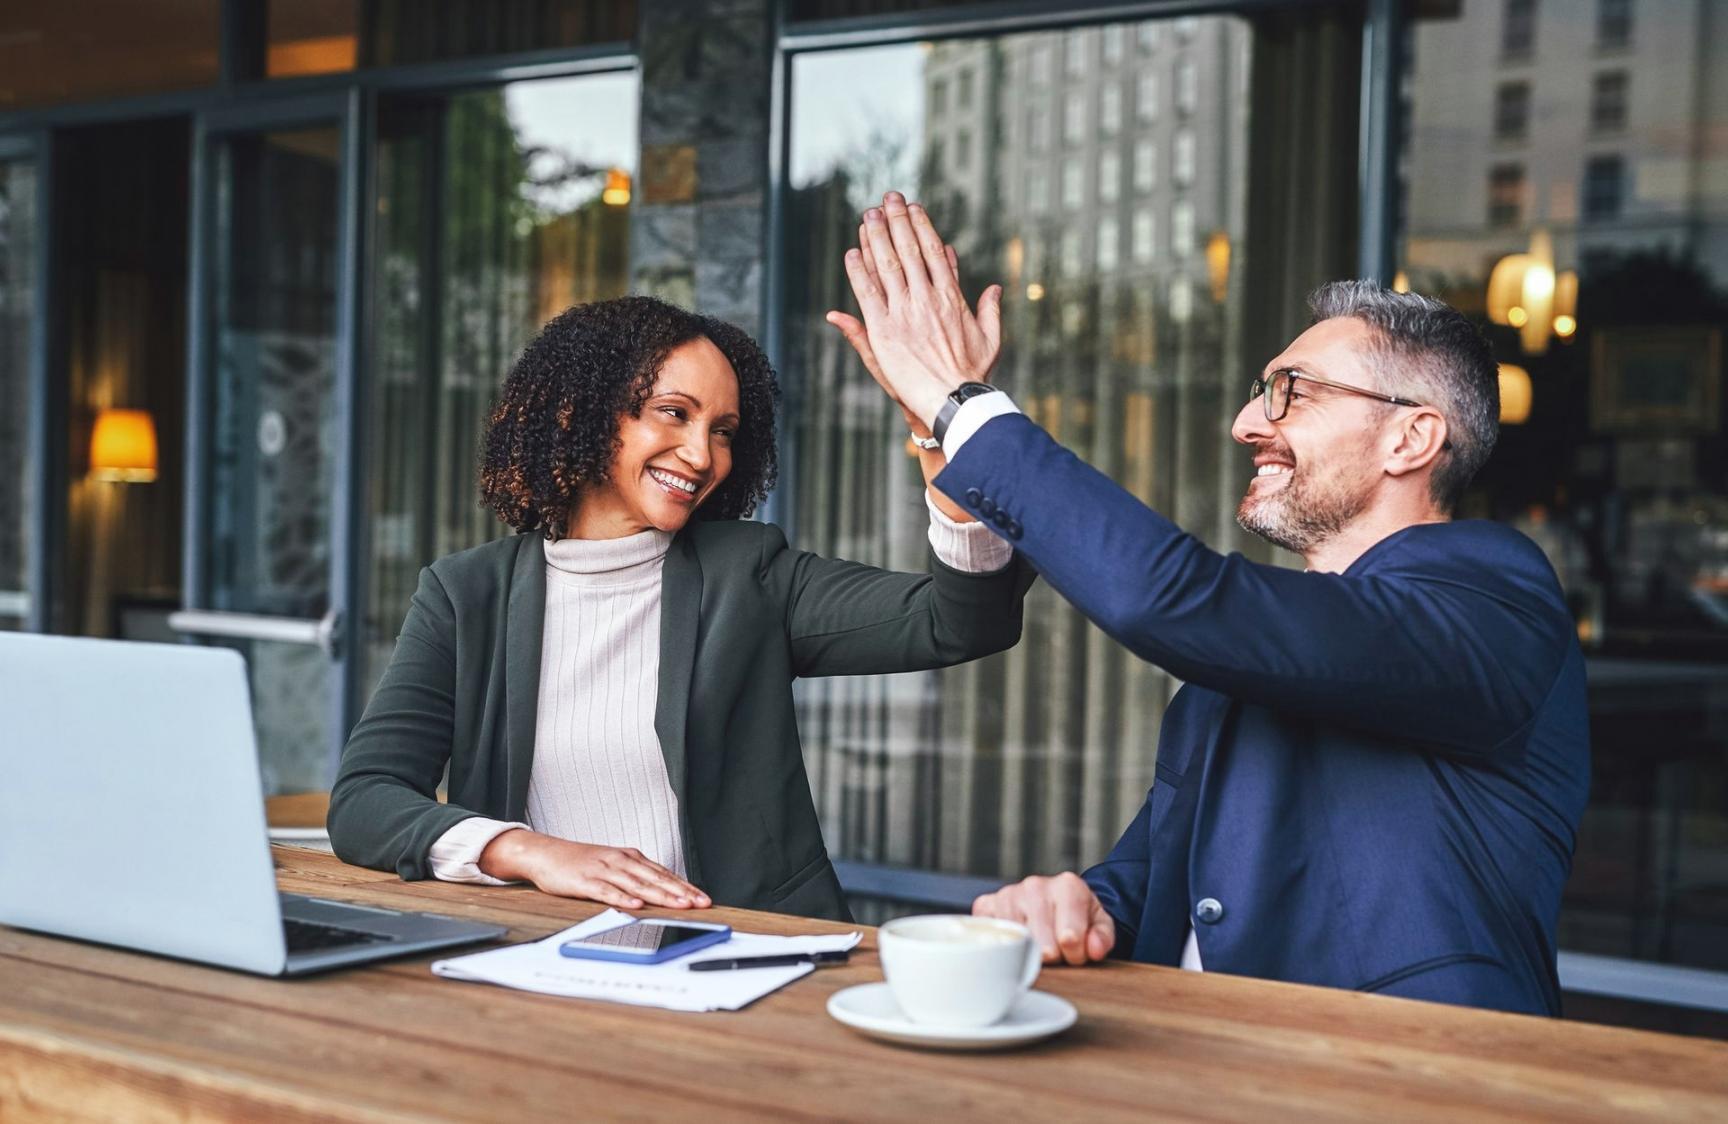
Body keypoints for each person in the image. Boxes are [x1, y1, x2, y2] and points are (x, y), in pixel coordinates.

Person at [826, 191, 1589, 1014]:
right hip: (1202, 1066)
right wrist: (1078, 906)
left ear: (1411, 438)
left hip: (1404, 1077)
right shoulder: (1249, 656)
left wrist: (963, 405)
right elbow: (1151, 882)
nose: (1243, 423)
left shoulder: (1495, 595)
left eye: (1291, 390)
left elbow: (1169, 599)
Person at [329, 295, 1032, 922]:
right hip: (536, 960)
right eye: (675, 413)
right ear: (578, 411)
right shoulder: (464, 595)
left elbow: (962, 618)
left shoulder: (748, 576)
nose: (702, 455)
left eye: (723, 430)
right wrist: (530, 851)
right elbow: (365, 799)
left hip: (742, 965)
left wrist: (945, 430)